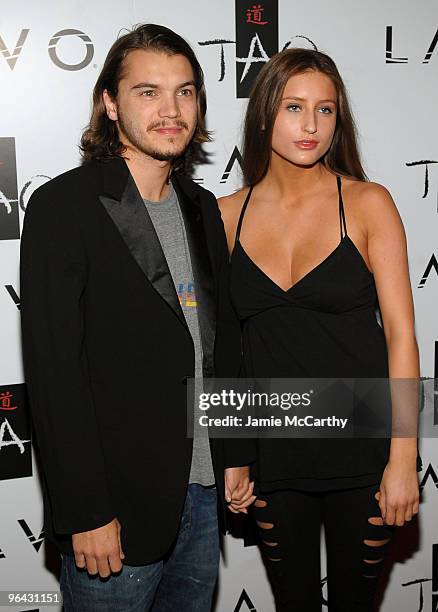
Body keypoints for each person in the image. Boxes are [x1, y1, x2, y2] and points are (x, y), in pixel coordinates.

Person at [20, 23, 253, 612]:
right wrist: (86, 512)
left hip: (202, 496)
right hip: (115, 507)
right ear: (109, 103)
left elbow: (217, 341)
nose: (170, 110)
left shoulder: (202, 207)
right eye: (148, 92)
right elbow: (54, 377)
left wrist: (235, 450)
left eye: (185, 91)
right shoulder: (63, 208)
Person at [219, 48, 421, 611]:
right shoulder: (225, 214)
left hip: (364, 448)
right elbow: (222, 348)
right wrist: (233, 454)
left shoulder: (367, 203)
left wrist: (403, 459)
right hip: (272, 451)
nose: (310, 125)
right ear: (264, 115)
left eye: (325, 110)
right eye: (293, 106)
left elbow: (401, 336)